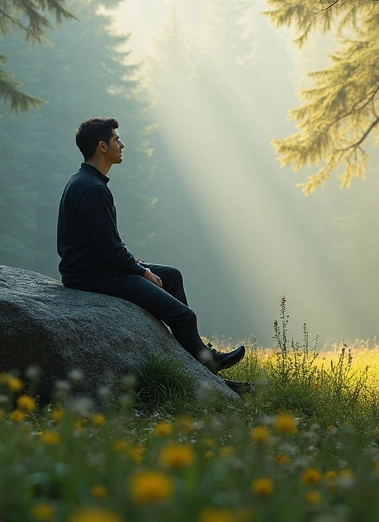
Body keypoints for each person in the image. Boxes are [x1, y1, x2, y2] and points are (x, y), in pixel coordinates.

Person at [57, 117, 250, 392]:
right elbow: (111, 250)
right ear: (102, 146)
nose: (122, 145)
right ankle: (210, 370)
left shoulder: (88, 182)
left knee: (171, 277)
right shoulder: (90, 188)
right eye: (116, 139)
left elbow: (106, 245)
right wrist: (141, 270)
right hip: (92, 275)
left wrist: (136, 264)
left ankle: (202, 363)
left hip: (97, 267)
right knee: (184, 316)